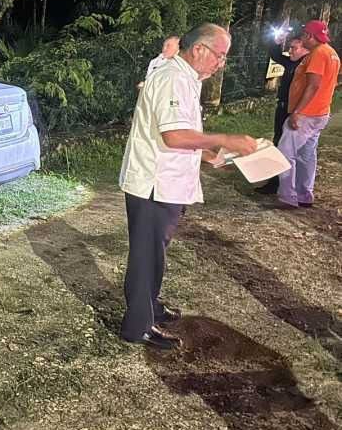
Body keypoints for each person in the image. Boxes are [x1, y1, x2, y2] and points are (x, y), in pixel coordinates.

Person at [118, 24, 258, 350]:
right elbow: (173, 136)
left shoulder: (186, 78)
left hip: (167, 183)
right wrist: (224, 138)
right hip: (153, 184)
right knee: (146, 256)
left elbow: (181, 133)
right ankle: (137, 326)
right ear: (199, 49)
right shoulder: (173, 78)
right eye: (220, 56)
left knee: (154, 253)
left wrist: (210, 155)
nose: (221, 63)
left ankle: (149, 307)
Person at [276, 20, 340, 209]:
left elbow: (313, 85)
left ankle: (289, 196)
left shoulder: (318, 54)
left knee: (285, 152)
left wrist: (298, 112)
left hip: (307, 114)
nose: (303, 39)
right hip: (320, 112)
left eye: (304, 35)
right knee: (306, 154)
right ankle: (305, 194)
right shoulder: (332, 53)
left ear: (311, 36)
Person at [256, 32, 309, 194]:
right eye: (289, 47)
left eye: (294, 48)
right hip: (283, 108)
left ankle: (290, 185)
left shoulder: (307, 66)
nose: (290, 51)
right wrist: (276, 43)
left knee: (293, 149)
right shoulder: (292, 63)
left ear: (306, 49)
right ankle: (274, 182)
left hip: (296, 111)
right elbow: (277, 56)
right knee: (279, 143)